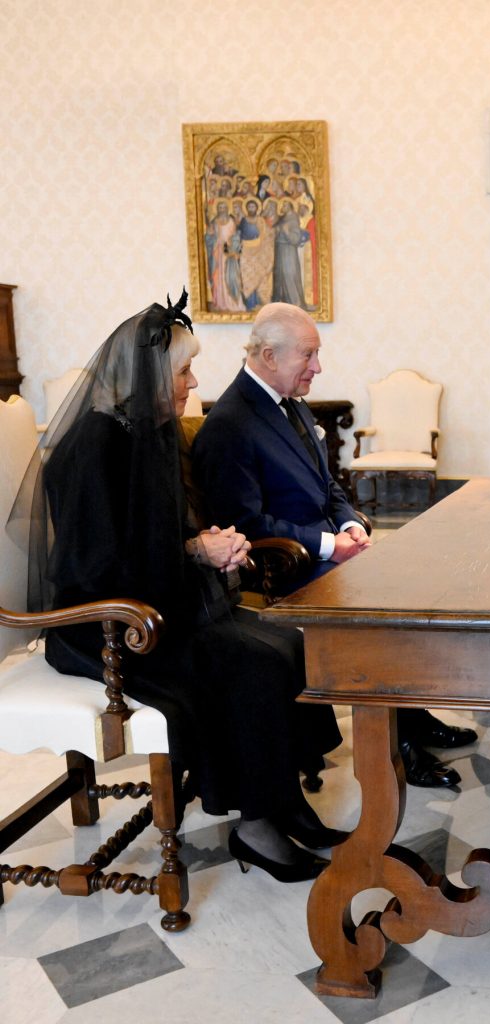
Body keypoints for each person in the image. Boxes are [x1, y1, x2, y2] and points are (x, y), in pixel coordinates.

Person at [17, 292, 345, 883]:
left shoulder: (151, 431)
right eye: (184, 372)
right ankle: (257, 826)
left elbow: (163, 535)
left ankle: (286, 799)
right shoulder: (91, 447)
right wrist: (196, 550)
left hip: (160, 604)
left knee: (289, 642)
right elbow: (96, 568)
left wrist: (209, 543)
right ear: (144, 378)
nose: (194, 384)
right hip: (106, 626)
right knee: (253, 663)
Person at [192, 302, 476, 787]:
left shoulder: (293, 404)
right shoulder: (230, 424)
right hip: (282, 566)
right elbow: (242, 523)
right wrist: (328, 545)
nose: (318, 368)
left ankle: (413, 716)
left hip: (323, 551)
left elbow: (331, 487)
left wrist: (351, 524)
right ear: (267, 354)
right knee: (381, 606)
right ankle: (399, 746)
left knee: (412, 582)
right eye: (309, 355)